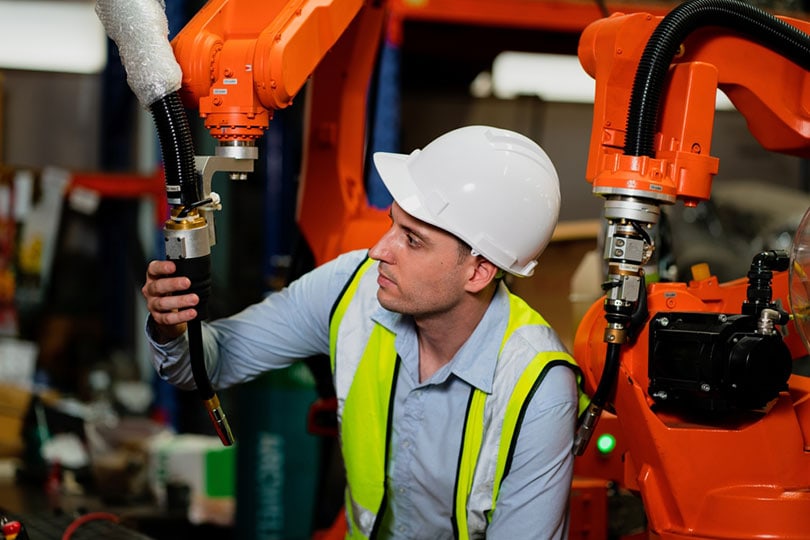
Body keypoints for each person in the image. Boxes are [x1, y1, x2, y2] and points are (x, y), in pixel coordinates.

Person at [142, 125, 588, 540]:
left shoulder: (539, 388)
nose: (379, 250)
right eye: (393, 223)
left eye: (412, 240)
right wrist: (172, 326)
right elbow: (204, 365)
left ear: (479, 271)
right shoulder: (351, 289)